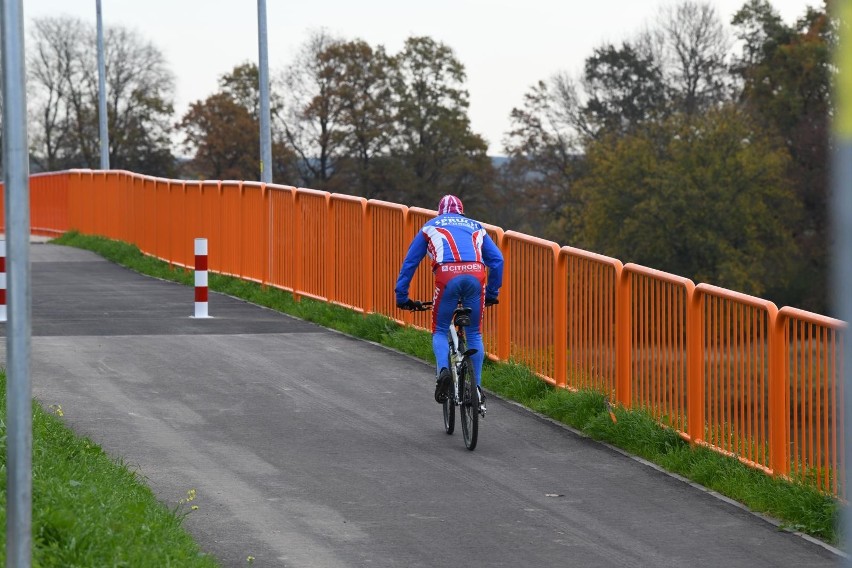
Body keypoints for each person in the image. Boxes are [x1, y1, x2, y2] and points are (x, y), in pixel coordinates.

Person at [395, 195, 504, 411]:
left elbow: (410, 262)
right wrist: (491, 292)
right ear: (461, 212)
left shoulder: (429, 227)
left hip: (447, 275)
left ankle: (444, 371)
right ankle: (477, 390)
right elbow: (497, 260)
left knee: (440, 329)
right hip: (476, 274)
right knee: (474, 333)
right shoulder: (476, 226)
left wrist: (402, 297)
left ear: (440, 213)